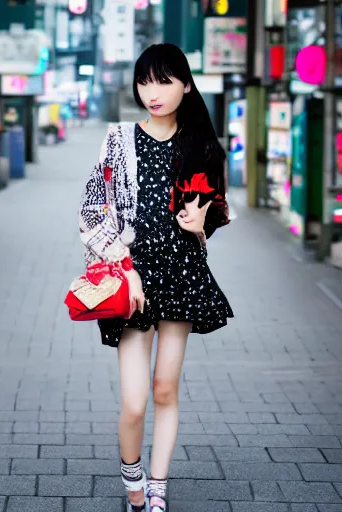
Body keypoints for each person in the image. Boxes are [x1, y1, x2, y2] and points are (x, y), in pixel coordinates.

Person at [78, 43, 234, 512]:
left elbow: (217, 210)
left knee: (166, 387)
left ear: (186, 84)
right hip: (132, 281)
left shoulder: (202, 145)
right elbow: (92, 209)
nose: (154, 92)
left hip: (182, 274)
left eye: (164, 81)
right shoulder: (119, 140)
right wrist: (123, 265)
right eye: (145, 81)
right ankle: (133, 482)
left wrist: (200, 225)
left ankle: (158, 489)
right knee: (134, 402)